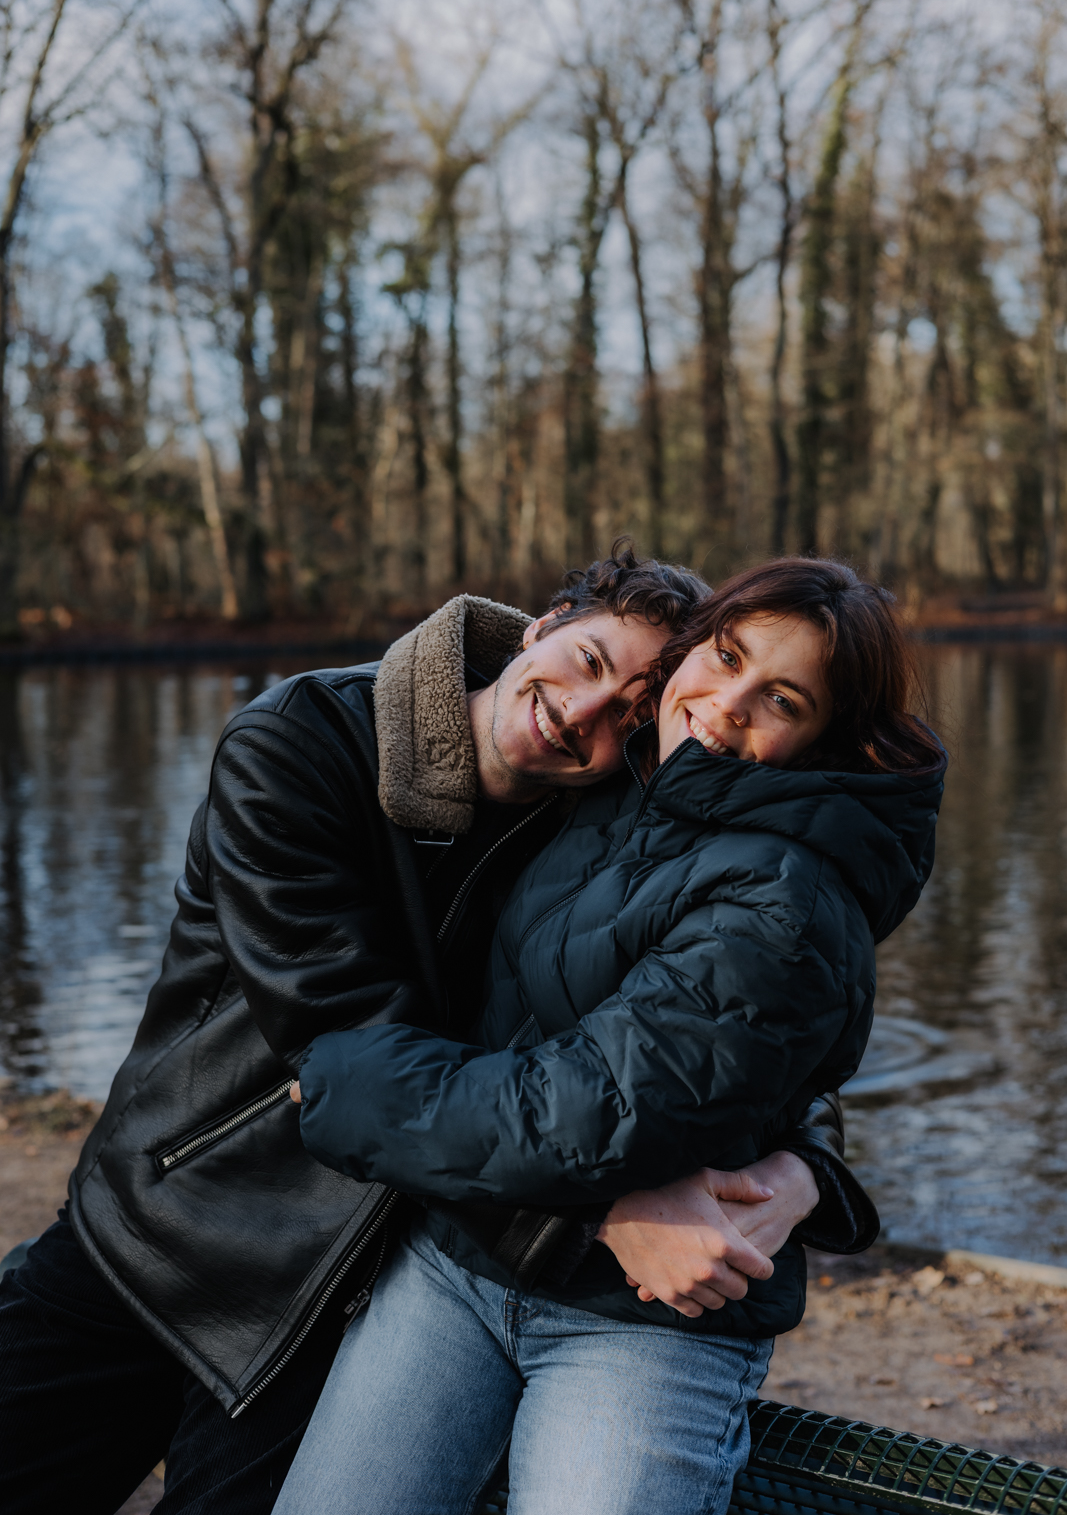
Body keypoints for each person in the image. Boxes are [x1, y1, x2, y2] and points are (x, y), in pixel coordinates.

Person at [0, 545, 853, 1515]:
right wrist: (602, 1204)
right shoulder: (304, 742)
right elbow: (352, 1056)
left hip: (345, 1297)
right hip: (162, 1239)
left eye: (627, 712)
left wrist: (803, 1173)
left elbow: (728, 1033)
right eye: (585, 662)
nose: (581, 713)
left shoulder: (603, 833)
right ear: (541, 624)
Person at [276, 558, 946, 1515]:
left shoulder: (785, 895)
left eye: (781, 699)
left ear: (821, 740)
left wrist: (347, 1081)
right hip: (457, 1263)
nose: (724, 705)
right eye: (724, 656)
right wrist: (800, 1163)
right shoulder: (608, 775)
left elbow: (584, 1113)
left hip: (645, 1319)